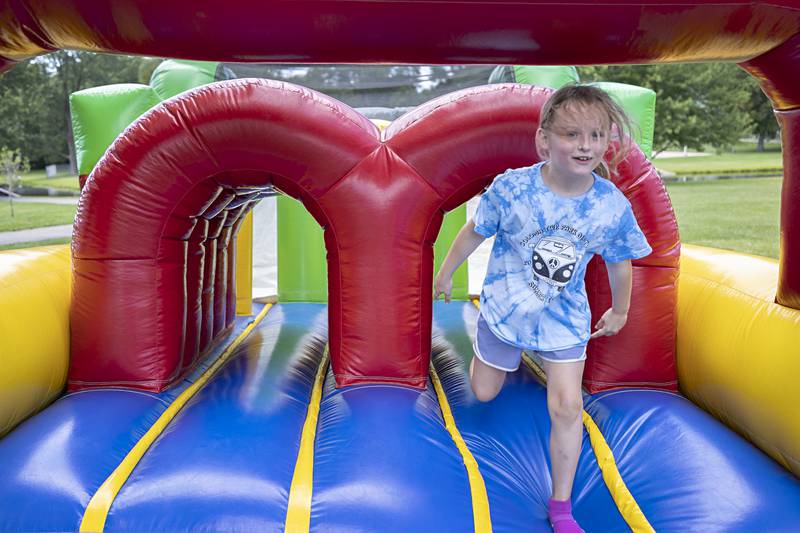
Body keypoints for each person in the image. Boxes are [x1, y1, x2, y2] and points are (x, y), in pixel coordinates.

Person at [434, 84, 652, 533]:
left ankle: (561, 505)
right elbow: (475, 231)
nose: (586, 146)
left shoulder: (609, 205)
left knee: (569, 407)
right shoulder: (512, 189)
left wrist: (621, 311)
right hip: (506, 310)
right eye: (572, 135)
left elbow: (620, 260)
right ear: (544, 140)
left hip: (563, 319)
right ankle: (491, 355)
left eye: (596, 135)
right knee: (485, 392)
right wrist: (446, 271)